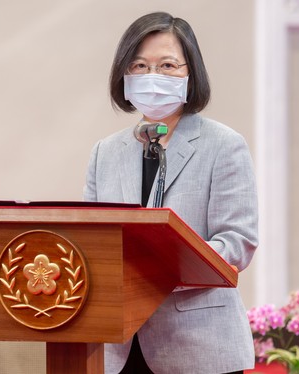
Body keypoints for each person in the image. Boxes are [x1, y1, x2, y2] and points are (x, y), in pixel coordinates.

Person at [83, 12, 258, 374]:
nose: (153, 77)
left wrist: (163, 267)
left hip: (199, 345)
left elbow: (237, 241)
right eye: (140, 66)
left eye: (167, 65)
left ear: (190, 73)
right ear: (124, 76)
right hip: (119, 347)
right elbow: (90, 239)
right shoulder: (106, 152)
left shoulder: (224, 145)